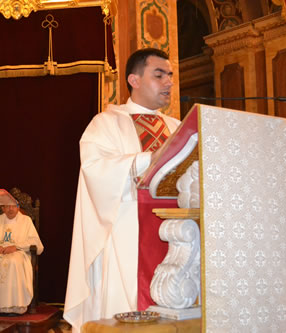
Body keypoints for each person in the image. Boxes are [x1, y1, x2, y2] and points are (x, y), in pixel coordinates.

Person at [64, 48, 181, 331]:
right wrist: (147, 160)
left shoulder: (177, 127)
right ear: (134, 80)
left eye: (170, 76)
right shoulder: (105, 123)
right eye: (159, 75)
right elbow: (94, 170)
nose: (169, 82)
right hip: (126, 235)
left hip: (179, 235)